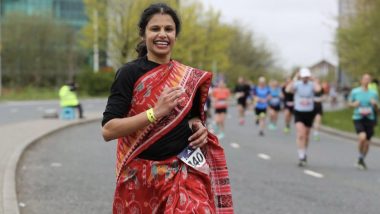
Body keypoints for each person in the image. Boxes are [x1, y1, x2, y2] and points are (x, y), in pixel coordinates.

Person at [101, 4, 233, 213]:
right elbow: (109, 130)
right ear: (143, 34)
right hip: (140, 178)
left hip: (182, 173)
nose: (162, 34)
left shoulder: (188, 77)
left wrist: (198, 128)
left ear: (175, 36)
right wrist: (156, 112)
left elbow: (191, 119)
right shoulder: (129, 74)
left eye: (168, 29)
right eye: (155, 29)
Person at [286, 68, 321, 167]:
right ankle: (301, 156)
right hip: (299, 111)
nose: (305, 78)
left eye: (307, 77)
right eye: (304, 77)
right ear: (301, 76)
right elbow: (288, 90)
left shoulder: (311, 84)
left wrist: (313, 79)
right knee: (301, 134)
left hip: (309, 112)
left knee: (306, 135)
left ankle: (304, 152)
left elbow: (318, 89)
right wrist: (294, 78)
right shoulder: (297, 84)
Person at [348, 74, 378, 170]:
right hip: (358, 117)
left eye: (368, 79)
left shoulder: (374, 93)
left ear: (370, 81)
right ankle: (360, 156)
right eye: (365, 79)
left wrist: (375, 105)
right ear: (361, 80)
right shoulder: (355, 92)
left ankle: (361, 159)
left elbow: (378, 110)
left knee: (367, 143)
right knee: (362, 138)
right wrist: (354, 104)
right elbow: (349, 104)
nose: (366, 81)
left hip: (370, 118)